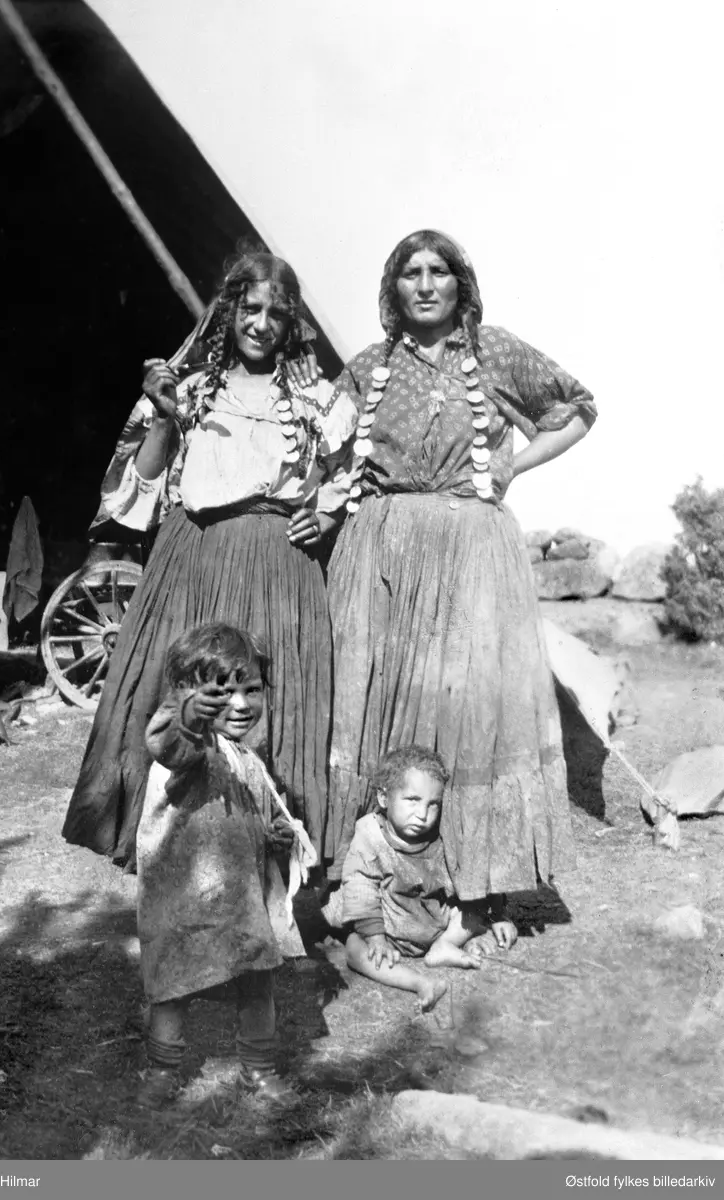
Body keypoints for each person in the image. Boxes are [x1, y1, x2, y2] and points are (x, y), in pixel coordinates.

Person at [327, 229, 597, 928]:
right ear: (392, 289)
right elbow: (317, 447)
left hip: (474, 553)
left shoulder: (493, 351)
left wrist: (516, 464)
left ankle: (480, 892)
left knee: (474, 712)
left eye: (438, 271)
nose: (424, 285)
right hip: (382, 555)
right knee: (385, 706)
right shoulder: (365, 368)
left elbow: (576, 408)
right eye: (409, 273)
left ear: (459, 284)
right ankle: (384, 889)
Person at [62, 250, 356, 871]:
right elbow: (132, 488)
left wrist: (325, 515)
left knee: (264, 701)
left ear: (292, 322)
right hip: (193, 558)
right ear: (227, 313)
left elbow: (347, 480)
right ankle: (172, 844)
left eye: (277, 313)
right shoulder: (186, 389)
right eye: (249, 309)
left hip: (278, 565)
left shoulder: (318, 403)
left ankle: (263, 850)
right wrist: (165, 418)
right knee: (187, 696)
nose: (261, 324)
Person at [137, 622, 309, 1104]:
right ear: (188, 697)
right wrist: (188, 718)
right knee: (172, 983)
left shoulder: (246, 758)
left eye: (251, 689)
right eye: (222, 693)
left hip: (240, 899)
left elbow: (258, 808)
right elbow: (169, 744)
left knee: (258, 979)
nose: (241, 704)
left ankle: (259, 1068)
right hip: (183, 899)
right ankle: (163, 1070)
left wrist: (276, 835)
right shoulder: (193, 751)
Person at [324, 747, 515, 1012]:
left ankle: (445, 946)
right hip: (386, 925)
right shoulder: (370, 833)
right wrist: (376, 937)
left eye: (432, 804)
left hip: (435, 920)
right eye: (412, 800)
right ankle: (420, 983)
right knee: (356, 951)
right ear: (383, 797)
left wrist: (498, 913)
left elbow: (475, 872)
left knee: (474, 909)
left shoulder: (444, 831)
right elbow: (360, 885)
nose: (423, 814)